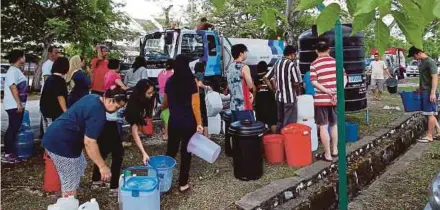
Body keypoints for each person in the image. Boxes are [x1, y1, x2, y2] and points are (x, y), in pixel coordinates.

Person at [42, 88, 127, 197]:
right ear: (110, 100)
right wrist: (102, 166)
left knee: (81, 164)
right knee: (70, 179)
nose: (116, 110)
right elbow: (90, 142)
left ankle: (69, 192)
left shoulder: (93, 97)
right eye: (117, 107)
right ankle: (68, 200)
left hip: (60, 136)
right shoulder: (98, 114)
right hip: (61, 143)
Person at [91, 82, 151, 196]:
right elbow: (134, 132)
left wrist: (143, 152)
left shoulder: (125, 98)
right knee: (118, 154)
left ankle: (96, 180)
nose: (151, 95)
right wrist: (143, 152)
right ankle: (113, 187)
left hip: (105, 125)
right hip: (109, 125)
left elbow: (134, 131)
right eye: (149, 93)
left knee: (103, 152)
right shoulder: (131, 103)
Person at [161, 54, 203, 192]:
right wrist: (199, 123)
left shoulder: (170, 81)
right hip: (188, 122)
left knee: (171, 151)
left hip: (174, 121)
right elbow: (195, 105)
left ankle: (164, 181)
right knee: (186, 152)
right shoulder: (192, 81)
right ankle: (183, 183)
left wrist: (165, 108)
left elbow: (165, 103)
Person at [310, 39, 347, 162]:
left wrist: (326, 91)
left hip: (321, 100)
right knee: (334, 124)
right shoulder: (335, 62)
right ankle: (335, 150)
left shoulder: (314, 64)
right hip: (335, 99)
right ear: (329, 50)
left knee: (323, 126)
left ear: (316, 51)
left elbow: (314, 82)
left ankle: (327, 154)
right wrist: (337, 92)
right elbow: (345, 78)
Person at [264, 45, 303, 133]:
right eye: (295, 55)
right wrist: (297, 91)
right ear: (292, 54)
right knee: (289, 122)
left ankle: (279, 141)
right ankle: (287, 142)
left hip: (278, 97)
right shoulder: (291, 64)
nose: (295, 57)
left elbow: (266, 78)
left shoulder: (277, 63)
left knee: (280, 120)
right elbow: (296, 82)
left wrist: (273, 89)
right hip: (289, 98)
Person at [408, 46, 439, 143]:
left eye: (413, 56)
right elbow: (425, 78)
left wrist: (432, 93)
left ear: (418, 53)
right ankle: (438, 130)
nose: (413, 58)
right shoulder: (423, 62)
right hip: (424, 90)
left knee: (430, 114)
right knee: (428, 113)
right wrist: (420, 87)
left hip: (429, 92)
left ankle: (429, 136)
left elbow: (435, 77)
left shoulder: (430, 62)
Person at [2, 50, 27, 163]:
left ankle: (11, 152)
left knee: (14, 128)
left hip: (16, 105)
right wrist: (18, 104)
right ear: (19, 58)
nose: (25, 58)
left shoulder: (16, 70)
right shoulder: (12, 71)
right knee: (12, 128)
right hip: (13, 105)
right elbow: (13, 87)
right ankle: (8, 154)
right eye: (23, 56)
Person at [226, 44, 255, 122]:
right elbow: (250, 85)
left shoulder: (229, 67)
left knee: (237, 130)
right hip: (243, 105)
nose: (246, 54)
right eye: (245, 52)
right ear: (241, 53)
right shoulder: (244, 67)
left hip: (233, 105)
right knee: (247, 131)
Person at [40, 57, 70, 130]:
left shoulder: (50, 78)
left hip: (44, 110)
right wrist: (66, 112)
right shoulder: (59, 80)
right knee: (53, 132)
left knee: (46, 132)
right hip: (54, 112)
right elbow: (60, 97)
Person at [40, 46, 59, 138]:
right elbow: (47, 80)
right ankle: (46, 137)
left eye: (58, 52)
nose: (57, 54)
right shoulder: (48, 64)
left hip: (53, 95)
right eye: (56, 52)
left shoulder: (55, 64)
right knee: (47, 118)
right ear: (50, 53)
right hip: (48, 95)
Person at [255, 61, 277, 133]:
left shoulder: (255, 77)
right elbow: (274, 89)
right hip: (270, 100)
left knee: (261, 121)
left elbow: (254, 90)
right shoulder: (270, 76)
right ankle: (274, 140)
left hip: (259, 101)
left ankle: (262, 140)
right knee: (273, 122)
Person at [158, 59, 174, 140]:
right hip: (169, 94)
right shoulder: (172, 73)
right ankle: (167, 134)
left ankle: (165, 132)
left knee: (165, 113)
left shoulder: (161, 73)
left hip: (161, 93)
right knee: (169, 114)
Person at [194, 62, 209, 137]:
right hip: (200, 95)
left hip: (194, 96)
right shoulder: (200, 74)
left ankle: (198, 133)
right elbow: (199, 84)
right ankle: (206, 134)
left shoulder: (194, 75)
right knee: (204, 113)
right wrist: (206, 87)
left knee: (197, 113)